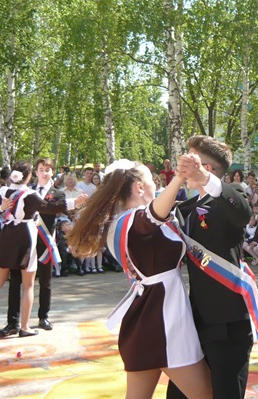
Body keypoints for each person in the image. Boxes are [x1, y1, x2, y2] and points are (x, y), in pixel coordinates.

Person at [67, 157, 211, 398]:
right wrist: (178, 178)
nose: (156, 184)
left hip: (146, 316)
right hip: (164, 319)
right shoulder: (134, 220)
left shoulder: (121, 222)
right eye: (151, 179)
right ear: (140, 187)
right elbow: (152, 217)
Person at [167, 136, 255, 399]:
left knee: (226, 392)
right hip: (195, 318)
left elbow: (243, 213)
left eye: (190, 162)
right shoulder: (186, 207)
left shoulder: (231, 193)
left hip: (228, 319)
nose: (183, 168)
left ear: (207, 168)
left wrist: (205, 178)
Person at [0, 161, 67, 336]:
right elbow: (50, 208)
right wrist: (76, 203)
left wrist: (1, 207)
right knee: (28, 285)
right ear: (29, 176)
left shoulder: (4, 190)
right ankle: (24, 327)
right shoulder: (31, 194)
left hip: (7, 234)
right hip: (25, 235)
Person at [0, 158, 71, 337]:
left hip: (44, 241)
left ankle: (43, 316)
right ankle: (12, 322)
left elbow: (53, 209)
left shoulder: (58, 193)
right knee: (15, 281)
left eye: (48, 170)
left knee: (45, 281)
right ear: (36, 172)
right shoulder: (26, 190)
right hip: (25, 241)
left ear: (52, 172)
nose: (44, 173)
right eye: (41, 169)